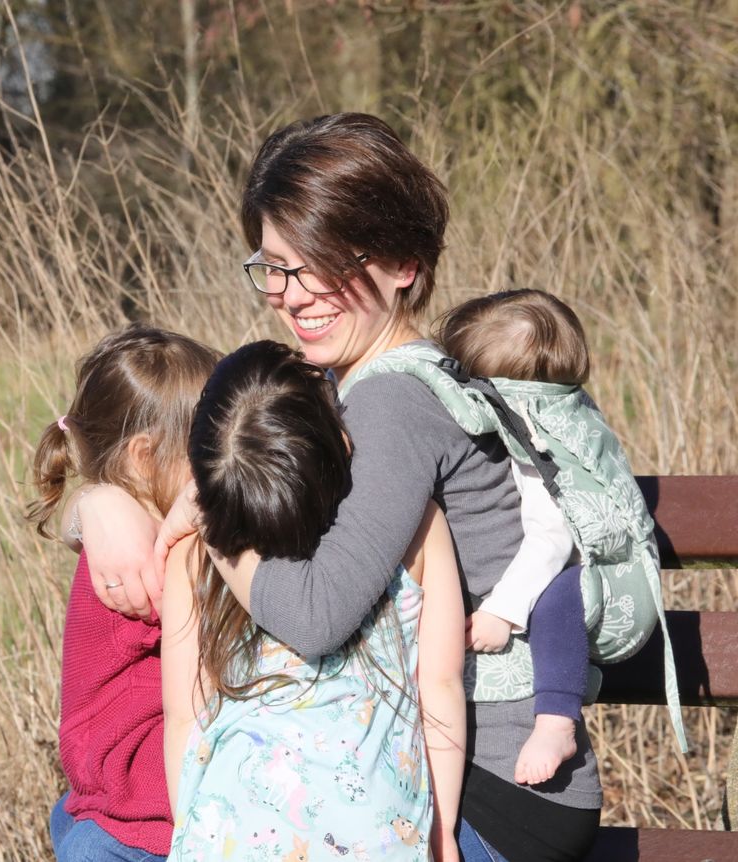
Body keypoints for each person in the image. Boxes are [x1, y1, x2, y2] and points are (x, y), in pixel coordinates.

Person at [64, 113, 602, 862]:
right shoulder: (343, 382)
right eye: (274, 265)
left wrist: (213, 533)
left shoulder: (392, 403)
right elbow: (231, 434)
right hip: (405, 752)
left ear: (404, 264)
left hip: (495, 784)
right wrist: (102, 498)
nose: (291, 293)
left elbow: (314, 618)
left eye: (318, 264)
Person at [161, 340, 466, 860]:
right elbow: (440, 686)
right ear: (343, 442)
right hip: (377, 837)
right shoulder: (416, 529)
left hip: (226, 837)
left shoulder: (193, 558)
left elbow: (186, 716)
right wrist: (442, 832)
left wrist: (188, 828)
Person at [27, 324, 220, 862]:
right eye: (206, 444)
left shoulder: (135, 531)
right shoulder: (141, 562)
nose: (221, 459)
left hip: (119, 797)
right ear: (144, 456)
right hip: (138, 809)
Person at [437, 289, 592, 788]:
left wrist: (502, 611)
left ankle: (556, 722)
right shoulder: (541, 410)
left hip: (586, 576)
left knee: (556, 594)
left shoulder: (538, 436)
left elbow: (553, 536)